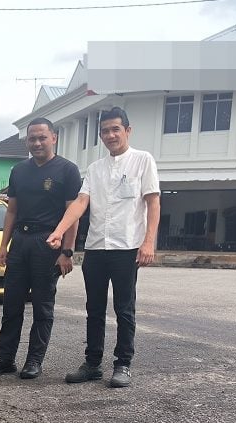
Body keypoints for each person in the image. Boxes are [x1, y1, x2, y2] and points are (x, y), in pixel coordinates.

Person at [47, 106, 160, 388]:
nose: (110, 135)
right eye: (105, 131)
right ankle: (93, 363)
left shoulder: (143, 161)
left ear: (127, 131)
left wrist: (148, 242)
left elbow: (153, 202)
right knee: (94, 308)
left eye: (115, 129)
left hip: (126, 248)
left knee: (124, 309)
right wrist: (59, 231)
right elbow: (81, 202)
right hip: (96, 248)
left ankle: (123, 364)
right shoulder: (96, 169)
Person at [0, 118, 81, 380]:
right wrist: (3, 245)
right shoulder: (19, 171)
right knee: (11, 304)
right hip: (20, 242)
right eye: (32, 138)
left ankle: (34, 360)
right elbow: (11, 210)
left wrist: (67, 252)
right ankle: (5, 359)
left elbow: (74, 214)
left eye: (42, 138)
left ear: (54, 138)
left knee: (42, 306)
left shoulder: (67, 170)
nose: (37, 143)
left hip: (48, 243)